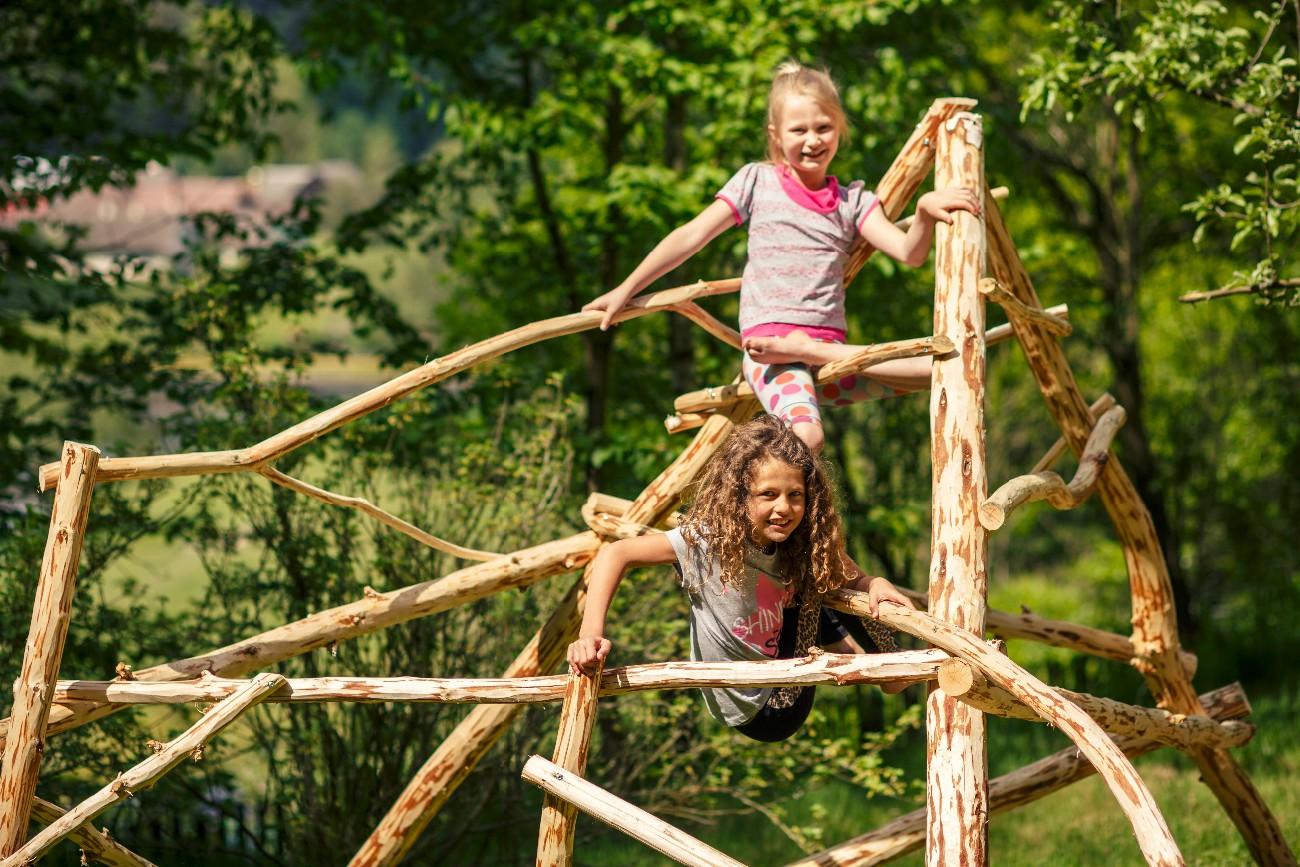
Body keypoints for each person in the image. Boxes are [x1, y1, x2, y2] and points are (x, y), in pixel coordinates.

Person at [582, 61, 981, 454]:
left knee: (943, 372)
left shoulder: (853, 202)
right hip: (773, 354)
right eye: (799, 130)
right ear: (776, 136)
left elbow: (909, 253)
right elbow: (692, 235)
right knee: (807, 437)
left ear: (839, 128)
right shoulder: (758, 181)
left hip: (827, 361)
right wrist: (626, 288)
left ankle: (808, 351)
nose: (813, 140)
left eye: (824, 127)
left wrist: (926, 211)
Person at [567, 416, 916, 743]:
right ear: (739, 496)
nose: (784, 508)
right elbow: (615, 554)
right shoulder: (705, 542)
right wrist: (590, 635)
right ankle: (852, 648)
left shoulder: (799, 539)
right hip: (768, 705)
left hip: (781, 662)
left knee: (819, 559)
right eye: (768, 494)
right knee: (815, 571)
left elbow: (855, 578)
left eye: (796, 496)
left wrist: (875, 584)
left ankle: (863, 655)